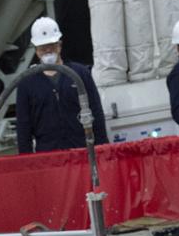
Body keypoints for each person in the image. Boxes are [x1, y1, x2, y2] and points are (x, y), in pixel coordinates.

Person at [15, 16, 109, 153]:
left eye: (51, 45)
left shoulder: (80, 74)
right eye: (42, 47)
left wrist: (103, 150)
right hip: (48, 159)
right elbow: (23, 127)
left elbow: (96, 113)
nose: (47, 50)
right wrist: (27, 165)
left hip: (82, 154)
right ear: (36, 50)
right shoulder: (26, 84)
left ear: (59, 45)